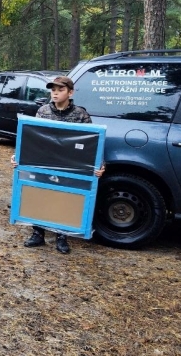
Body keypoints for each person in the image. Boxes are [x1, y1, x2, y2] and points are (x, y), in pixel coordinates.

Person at [12, 75, 105, 254]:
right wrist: (18, 156)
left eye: (60, 90)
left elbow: (94, 143)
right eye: (53, 90)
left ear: (70, 92)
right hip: (44, 163)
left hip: (69, 166)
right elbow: (32, 138)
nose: (55, 93)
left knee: (65, 198)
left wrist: (101, 166)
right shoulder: (43, 111)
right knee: (40, 194)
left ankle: (62, 236)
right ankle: (37, 233)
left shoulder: (81, 115)